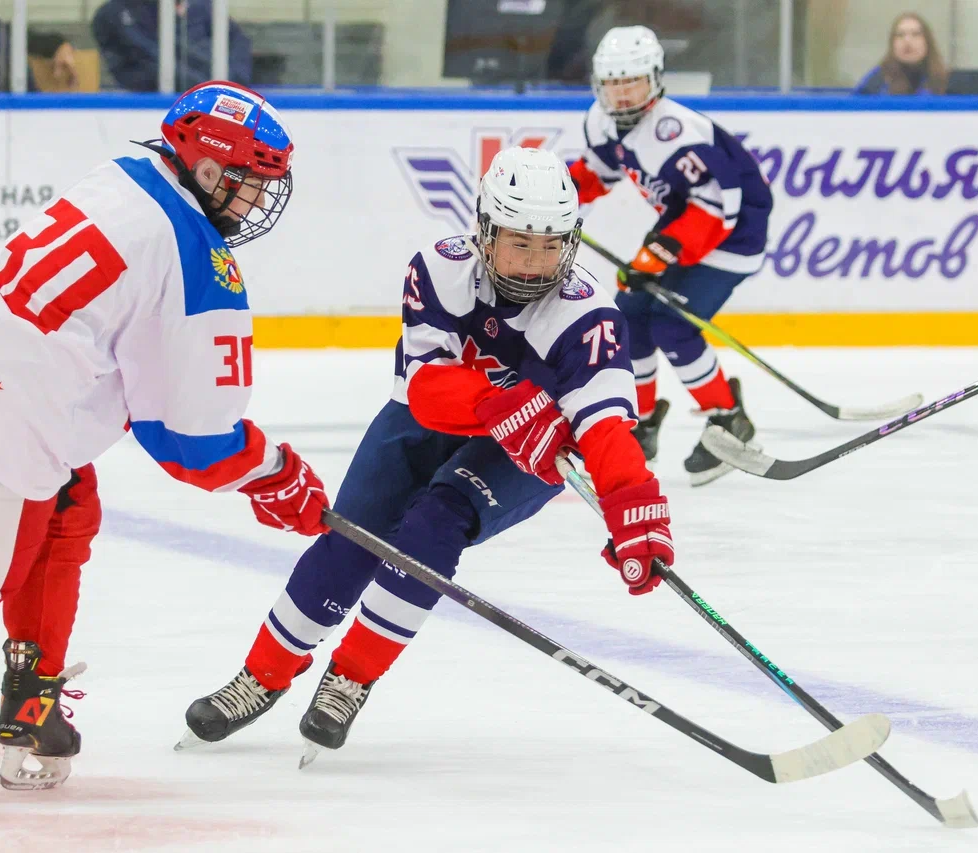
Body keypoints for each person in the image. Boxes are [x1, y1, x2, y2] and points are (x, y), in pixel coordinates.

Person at [0, 82, 329, 797]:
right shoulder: (200, 257)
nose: (256, 201)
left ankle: (33, 701)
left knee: (69, 509)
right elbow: (191, 442)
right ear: (202, 169)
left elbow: (128, 361)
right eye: (247, 182)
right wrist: (276, 475)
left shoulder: (129, 175)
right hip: (9, 412)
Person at [179, 146, 674, 765]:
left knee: (435, 524)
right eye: (520, 243)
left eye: (551, 245)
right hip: (436, 417)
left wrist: (632, 505)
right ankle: (263, 674)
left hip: (528, 449)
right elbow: (426, 390)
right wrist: (506, 402)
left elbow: (605, 430)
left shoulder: (588, 313)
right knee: (351, 536)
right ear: (486, 232)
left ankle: (352, 676)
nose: (536, 262)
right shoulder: (439, 270)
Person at [567, 25, 773, 486]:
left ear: (656, 78)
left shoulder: (678, 131)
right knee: (629, 316)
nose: (622, 95)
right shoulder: (601, 122)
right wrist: (555, 193)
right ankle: (640, 424)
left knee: (673, 325)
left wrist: (658, 253)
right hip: (683, 223)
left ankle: (728, 417)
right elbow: (598, 172)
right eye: (613, 83)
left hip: (734, 233)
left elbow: (718, 205)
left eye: (632, 81)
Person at [92, 0, 253, 92]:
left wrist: (235, 81)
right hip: (150, 103)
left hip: (213, 93)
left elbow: (238, 41)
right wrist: (208, 88)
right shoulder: (114, 14)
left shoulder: (200, 5)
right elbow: (150, 57)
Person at [854, 12, 948, 95]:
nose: (907, 41)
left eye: (915, 34)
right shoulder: (877, 80)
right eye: (900, 35)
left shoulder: (945, 82)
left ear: (927, 42)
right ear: (892, 44)